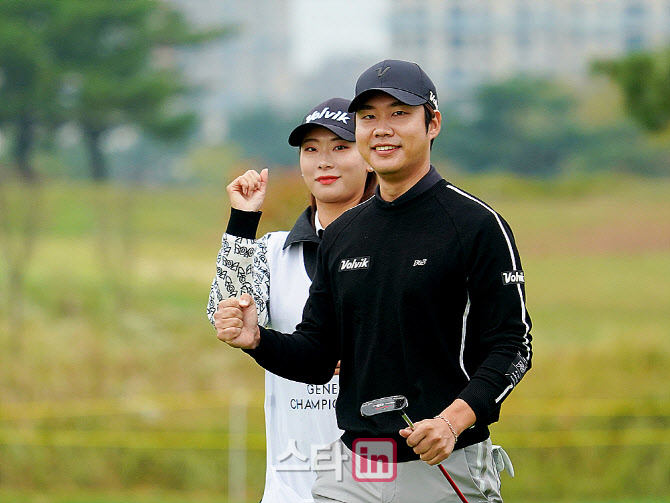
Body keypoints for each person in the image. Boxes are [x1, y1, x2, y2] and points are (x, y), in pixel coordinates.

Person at [214, 60, 532, 503]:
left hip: (444, 464)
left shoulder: (475, 225)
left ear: (433, 123)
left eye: (399, 113)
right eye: (368, 118)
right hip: (355, 467)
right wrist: (257, 341)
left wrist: (452, 421)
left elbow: (513, 347)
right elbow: (317, 354)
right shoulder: (343, 235)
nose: (381, 128)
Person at [207, 97, 377, 503]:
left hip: (381, 465)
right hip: (292, 476)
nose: (324, 161)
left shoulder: (400, 248)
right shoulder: (274, 250)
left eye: (340, 146)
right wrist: (244, 221)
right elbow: (226, 314)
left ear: (371, 156)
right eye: (311, 149)